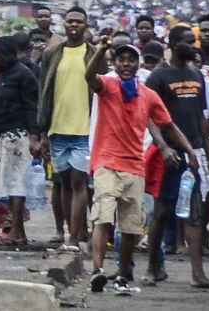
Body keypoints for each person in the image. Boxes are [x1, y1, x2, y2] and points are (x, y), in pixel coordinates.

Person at [85, 38, 200, 297]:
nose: (126, 64)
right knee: (103, 217)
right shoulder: (108, 85)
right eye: (121, 59)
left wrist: (190, 150)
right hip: (106, 162)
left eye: (131, 60)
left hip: (134, 166)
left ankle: (123, 275)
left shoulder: (148, 95)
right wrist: (101, 50)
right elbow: (89, 75)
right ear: (114, 63)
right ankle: (97, 270)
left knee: (131, 227)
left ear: (138, 65)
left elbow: (168, 125)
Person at [143, 40, 209, 289]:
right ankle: (152, 268)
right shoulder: (158, 77)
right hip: (167, 154)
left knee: (194, 213)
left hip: (193, 153)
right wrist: (164, 147)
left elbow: (202, 115)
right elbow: (149, 116)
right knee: (161, 211)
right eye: (188, 41)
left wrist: (208, 154)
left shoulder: (197, 75)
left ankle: (197, 274)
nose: (193, 44)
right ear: (174, 44)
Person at [37, 5, 95, 253]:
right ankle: (68, 232)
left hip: (85, 129)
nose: (74, 25)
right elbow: (43, 92)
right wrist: (42, 132)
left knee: (79, 180)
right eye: (70, 21)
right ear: (64, 24)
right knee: (63, 181)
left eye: (78, 22)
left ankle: (74, 237)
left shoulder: (94, 54)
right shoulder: (52, 54)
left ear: (85, 25)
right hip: (57, 127)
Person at [0, 34, 41, 246]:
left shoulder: (22, 75)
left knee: (17, 184)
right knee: (7, 184)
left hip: (17, 136)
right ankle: (18, 230)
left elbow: (32, 107)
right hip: (0, 135)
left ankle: (17, 231)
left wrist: (35, 137)